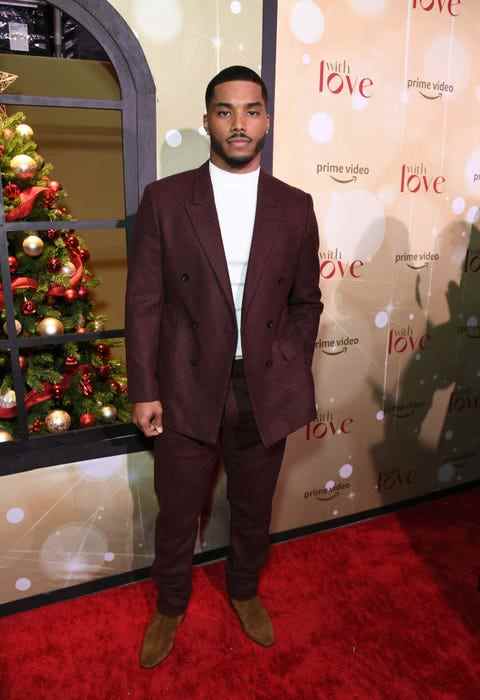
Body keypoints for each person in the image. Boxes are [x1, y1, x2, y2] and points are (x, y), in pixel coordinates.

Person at [125, 65, 323, 669]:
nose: (239, 124)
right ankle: (172, 602)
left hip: (263, 386)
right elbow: (145, 300)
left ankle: (243, 590)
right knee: (178, 506)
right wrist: (145, 387)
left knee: (254, 507)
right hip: (186, 384)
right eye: (225, 111)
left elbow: (306, 300)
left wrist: (287, 360)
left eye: (252, 111)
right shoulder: (166, 198)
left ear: (267, 118)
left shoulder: (295, 205)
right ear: (207, 118)